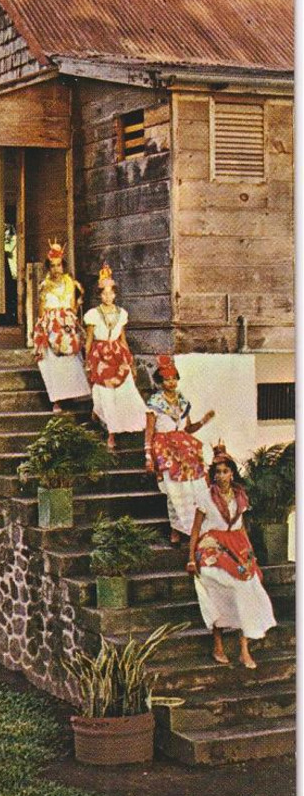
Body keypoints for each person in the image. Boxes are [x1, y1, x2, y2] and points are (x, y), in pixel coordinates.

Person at [188, 443, 276, 669]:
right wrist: (191, 558)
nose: (221, 476)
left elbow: (241, 528)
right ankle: (218, 644)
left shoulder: (240, 496)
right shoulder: (205, 496)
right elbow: (196, 530)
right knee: (220, 588)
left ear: (232, 473)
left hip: (236, 545)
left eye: (225, 471)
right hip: (211, 546)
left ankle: (244, 648)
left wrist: (250, 555)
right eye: (217, 472)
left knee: (249, 585)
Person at [145, 355, 215, 545]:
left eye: (174, 378)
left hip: (187, 449)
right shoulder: (154, 403)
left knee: (195, 490)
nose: (171, 382)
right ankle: (176, 529)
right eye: (167, 379)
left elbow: (188, 429)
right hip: (165, 449)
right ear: (160, 381)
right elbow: (150, 431)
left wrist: (203, 421)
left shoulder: (183, 401)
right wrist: (148, 455)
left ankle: (194, 529)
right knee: (175, 491)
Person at [83, 263, 147, 450]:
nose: (108, 297)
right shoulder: (93, 315)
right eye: (104, 293)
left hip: (118, 354)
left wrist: (130, 361)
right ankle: (111, 433)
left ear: (116, 294)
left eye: (111, 293)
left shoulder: (122, 314)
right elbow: (88, 340)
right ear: (99, 295)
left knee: (126, 391)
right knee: (105, 393)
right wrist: (87, 361)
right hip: (100, 355)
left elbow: (123, 339)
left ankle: (134, 426)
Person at [32, 241, 90, 412]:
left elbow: (72, 306)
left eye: (59, 265)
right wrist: (42, 329)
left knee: (70, 360)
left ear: (63, 266)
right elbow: (41, 311)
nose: (56, 269)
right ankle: (56, 399)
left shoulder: (70, 283)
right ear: (49, 267)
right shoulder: (44, 285)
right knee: (52, 363)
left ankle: (71, 396)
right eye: (52, 266)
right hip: (50, 323)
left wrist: (69, 319)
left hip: (66, 322)